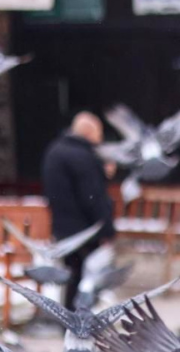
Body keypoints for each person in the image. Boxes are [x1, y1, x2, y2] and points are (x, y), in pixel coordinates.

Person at [41, 111, 117, 310]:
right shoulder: (83, 157)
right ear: (90, 132)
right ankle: (78, 324)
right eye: (99, 134)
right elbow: (93, 197)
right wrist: (107, 229)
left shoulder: (55, 150)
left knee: (72, 276)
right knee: (85, 280)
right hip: (85, 230)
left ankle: (69, 320)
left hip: (63, 226)